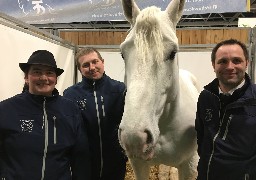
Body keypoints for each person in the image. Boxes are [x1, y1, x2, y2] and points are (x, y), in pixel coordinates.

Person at [0, 50, 91, 180]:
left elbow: (80, 157)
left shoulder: (71, 110)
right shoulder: (6, 109)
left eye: (49, 73)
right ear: (26, 77)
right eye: (37, 72)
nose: (44, 78)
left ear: (56, 78)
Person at [195, 39, 256, 180]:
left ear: (247, 63)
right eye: (223, 61)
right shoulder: (206, 96)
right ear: (213, 65)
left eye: (236, 61)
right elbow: (201, 136)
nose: (230, 66)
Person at [63, 47, 127, 180]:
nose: (92, 67)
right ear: (80, 69)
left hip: (115, 160)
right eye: (85, 65)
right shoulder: (70, 94)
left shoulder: (120, 90)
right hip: (83, 163)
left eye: (95, 62)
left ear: (102, 62)